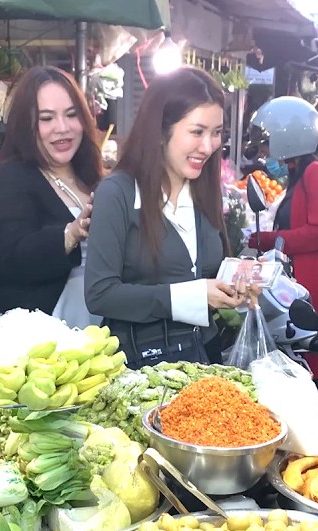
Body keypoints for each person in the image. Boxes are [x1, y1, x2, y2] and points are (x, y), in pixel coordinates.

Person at [85, 68, 243, 368]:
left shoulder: (203, 191)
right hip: (142, 370)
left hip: (203, 361)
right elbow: (100, 295)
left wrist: (237, 278)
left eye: (217, 132)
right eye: (197, 132)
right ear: (160, 131)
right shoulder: (116, 194)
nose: (208, 147)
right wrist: (194, 296)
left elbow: (206, 270)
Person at [0, 66, 102, 335]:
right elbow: (9, 258)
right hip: (20, 348)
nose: (62, 128)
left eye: (71, 115)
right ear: (26, 124)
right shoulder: (6, 182)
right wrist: (70, 234)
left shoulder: (92, 178)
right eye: (47, 118)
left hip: (88, 334)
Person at [244, 96, 318, 410]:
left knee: (313, 355)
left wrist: (269, 238)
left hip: (314, 278)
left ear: (286, 137)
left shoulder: (316, 173)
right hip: (302, 276)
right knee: (304, 355)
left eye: (267, 143)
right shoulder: (300, 172)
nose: (264, 151)